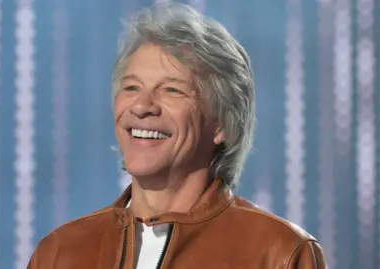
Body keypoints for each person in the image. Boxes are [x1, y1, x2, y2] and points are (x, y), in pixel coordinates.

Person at [27, 3, 326, 268]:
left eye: (171, 89)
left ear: (221, 123)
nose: (142, 106)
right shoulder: (59, 253)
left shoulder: (278, 253)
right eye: (131, 87)